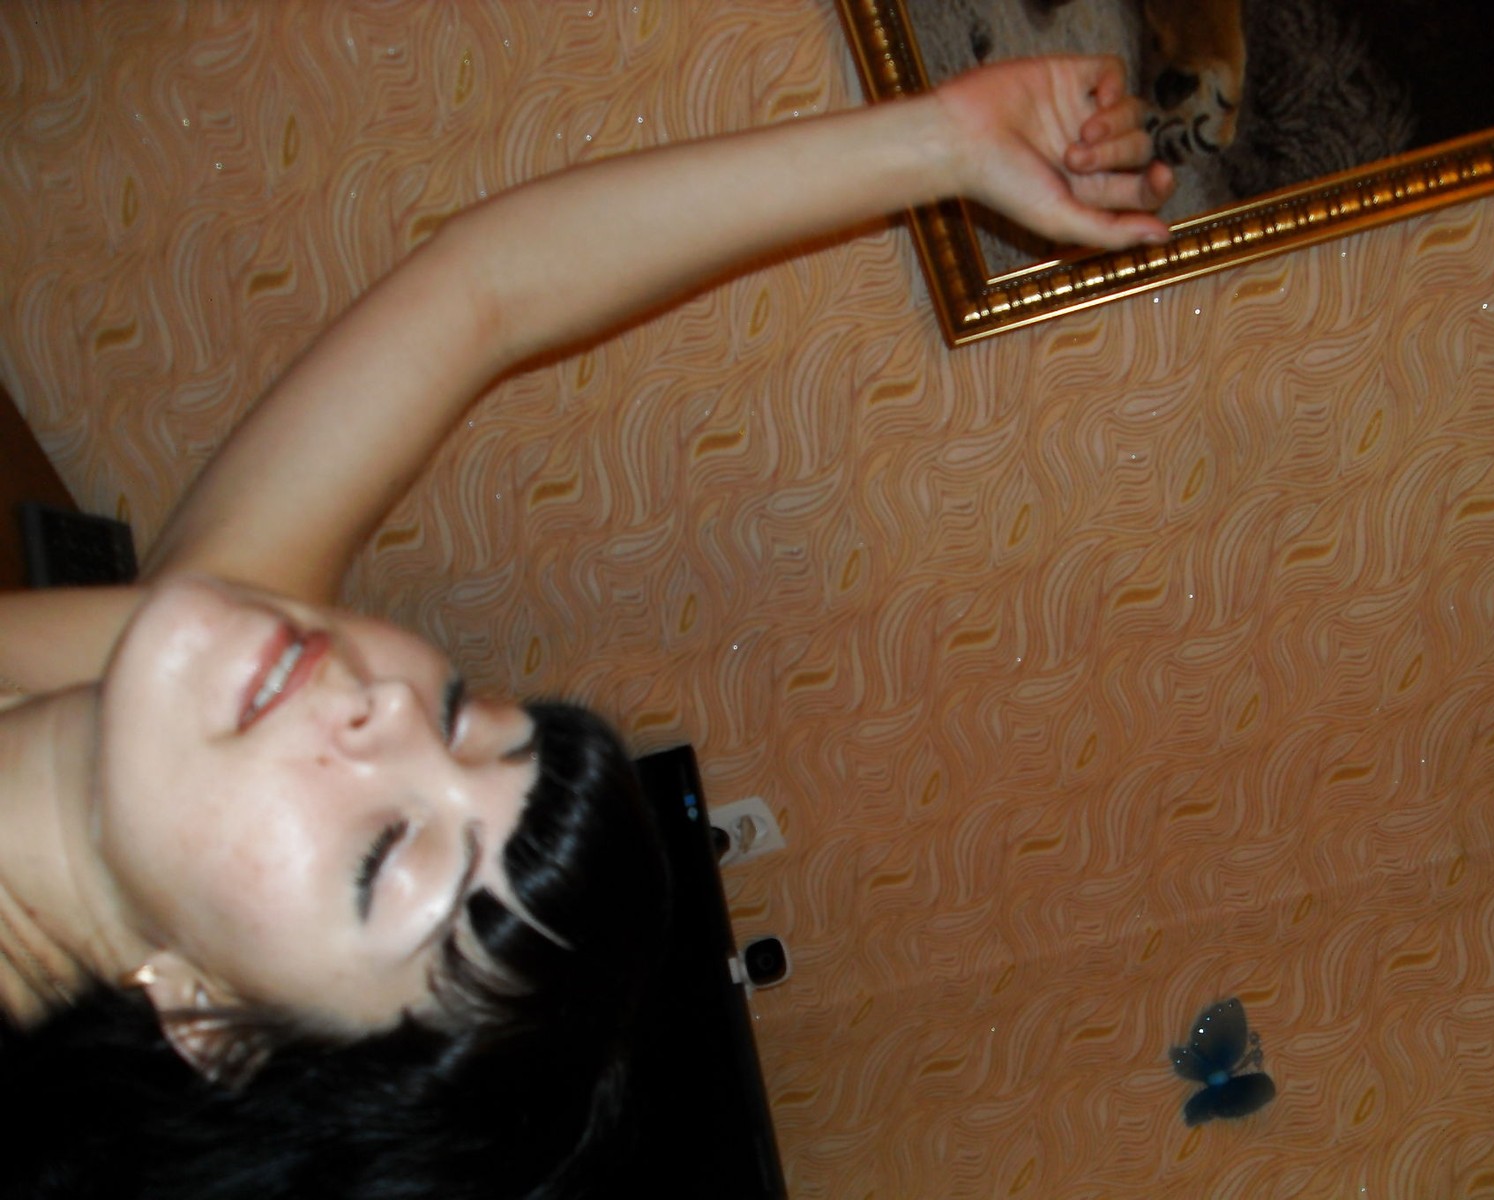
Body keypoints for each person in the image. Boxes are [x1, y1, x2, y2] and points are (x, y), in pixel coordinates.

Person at [0, 49, 1172, 1185]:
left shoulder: (206, 726)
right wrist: (941, 141)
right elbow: (484, 297)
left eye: (388, 854)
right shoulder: (175, 693)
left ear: (211, 1031)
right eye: (458, 718)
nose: (386, 711)